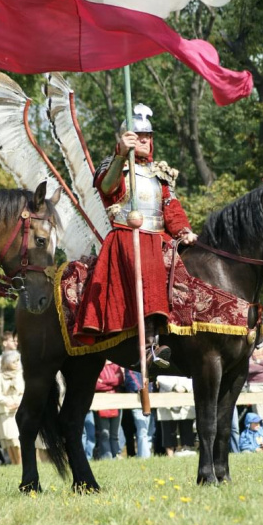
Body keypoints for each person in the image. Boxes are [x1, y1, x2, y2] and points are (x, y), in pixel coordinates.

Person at [73, 104, 197, 371]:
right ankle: (150, 346)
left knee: (188, 268)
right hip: (127, 238)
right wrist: (120, 155)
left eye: (148, 136)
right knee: (149, 267)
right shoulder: (114, 165)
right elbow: (108, 188)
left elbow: (171, 209)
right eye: (138, 135)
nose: (144, 139)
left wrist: (184, 231)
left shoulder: (159, 174)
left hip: (158, 236)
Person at [0, 350, 24, 465]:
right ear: (7, 362)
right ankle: (14, 464)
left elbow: (25, 391)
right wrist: (8, 402)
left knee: (17, 440)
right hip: (5, 412)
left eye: (17, 361)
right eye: (14, 361)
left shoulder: (21, 375)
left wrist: (18, 402)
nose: (16, 363)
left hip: (18, 410)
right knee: (9, 441)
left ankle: (21, 464)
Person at [157, 375, 197, 457]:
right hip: (167, 397)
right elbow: (160, 377)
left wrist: (185, 388)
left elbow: (193, 375)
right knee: (168, 428)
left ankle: (187, 450)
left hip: (186, 396)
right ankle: (170, 455)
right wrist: (174, 387)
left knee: (187, 426)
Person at [95, 361, 124, 460]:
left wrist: (104, 381)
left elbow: (119, 380)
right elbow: (96, 385)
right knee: (104, 432)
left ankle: (116, 454)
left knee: (115, 433)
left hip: (115, 402)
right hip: (102, 402)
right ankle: (106, 457)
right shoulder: (97, 365)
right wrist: (112, 381)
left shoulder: (115, 365)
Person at [124, 369, 154, 458]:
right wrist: (141, 389)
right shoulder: (131, 365)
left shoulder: (148, 365)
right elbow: (131, 377)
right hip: (137, 399)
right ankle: (144, 457)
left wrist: (150, 389)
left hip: (150, 398)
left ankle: (146, 453)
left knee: (149, 431)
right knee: (142, 430)